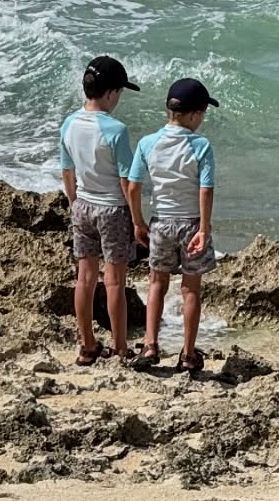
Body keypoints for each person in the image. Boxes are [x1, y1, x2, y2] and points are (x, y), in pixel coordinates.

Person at [126, 75, 218, 373]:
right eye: (202, 113)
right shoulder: (201, 146)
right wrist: (204, 228)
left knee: (157, 284)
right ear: (193, 114)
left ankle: (150, 345)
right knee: (190, 290)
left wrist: (138, 221)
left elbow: (133, 186)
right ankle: (188, 354)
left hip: (161, 223)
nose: (202, 120)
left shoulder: (148, 143)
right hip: (191, 223)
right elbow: (205, 189)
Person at [59, 54, 139, 365]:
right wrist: (136, 217)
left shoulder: (69, 123)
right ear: (110, 93)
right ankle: (119, 347)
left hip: (82, 205)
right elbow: (126, 181)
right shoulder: (116, 130)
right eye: (119, 92)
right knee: (115, 281)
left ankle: (87, 345)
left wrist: (74, 203)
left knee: (85, 278)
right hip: (112, 209)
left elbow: (68, 172)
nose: (119, 98)